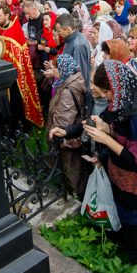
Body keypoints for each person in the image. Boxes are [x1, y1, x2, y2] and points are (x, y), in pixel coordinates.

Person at [53, 61, 137, 269]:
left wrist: (106, 138)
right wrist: (70, 131)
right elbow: (118, 134)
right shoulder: (124, 105)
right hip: (120, 178)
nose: (106, 97)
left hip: (133, 185)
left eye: (106, 92)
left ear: (117, 88)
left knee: (135, 229)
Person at [0, 4, 44, 130]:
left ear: (7, 15)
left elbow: (18, 56)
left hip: (15, 76)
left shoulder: (14, 31)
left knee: (16, 101)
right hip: (2, 72)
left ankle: (21, 127)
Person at [46, 54, 88, 195]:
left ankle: (74, 194)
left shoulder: (68, 91)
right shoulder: (72, 80)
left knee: (70, 167)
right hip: (69, 134)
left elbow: (64, 120)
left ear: (63, 69)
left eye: (56, 69)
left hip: (65, 139)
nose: (54, 71)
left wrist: (53, 136)